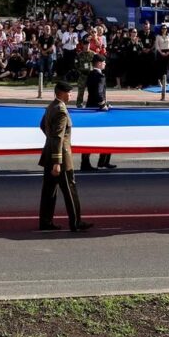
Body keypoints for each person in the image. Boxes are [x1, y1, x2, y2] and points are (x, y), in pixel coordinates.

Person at [38, 81, 91, 232]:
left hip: (49, 153)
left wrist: (50, 142)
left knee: (49, 191)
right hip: (61, 157)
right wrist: (57, 161)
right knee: (70, 190)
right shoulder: (61, 110)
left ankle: (45, 221)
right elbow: (58, 137)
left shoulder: (51, 106)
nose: (71, 95)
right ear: (61, 93)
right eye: (69, 92)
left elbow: (42, 126)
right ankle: (76, 222)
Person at [80, 55, 115, 171]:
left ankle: (86, 162)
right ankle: (103, 161)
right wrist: (103, 105)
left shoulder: (90, 74)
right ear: (99, 63)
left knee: (89, 137)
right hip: (98, 110)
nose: (105, 64)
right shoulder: (100, 76)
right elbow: (99, 93)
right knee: (106, 135)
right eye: (104, 62)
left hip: (90, 107)